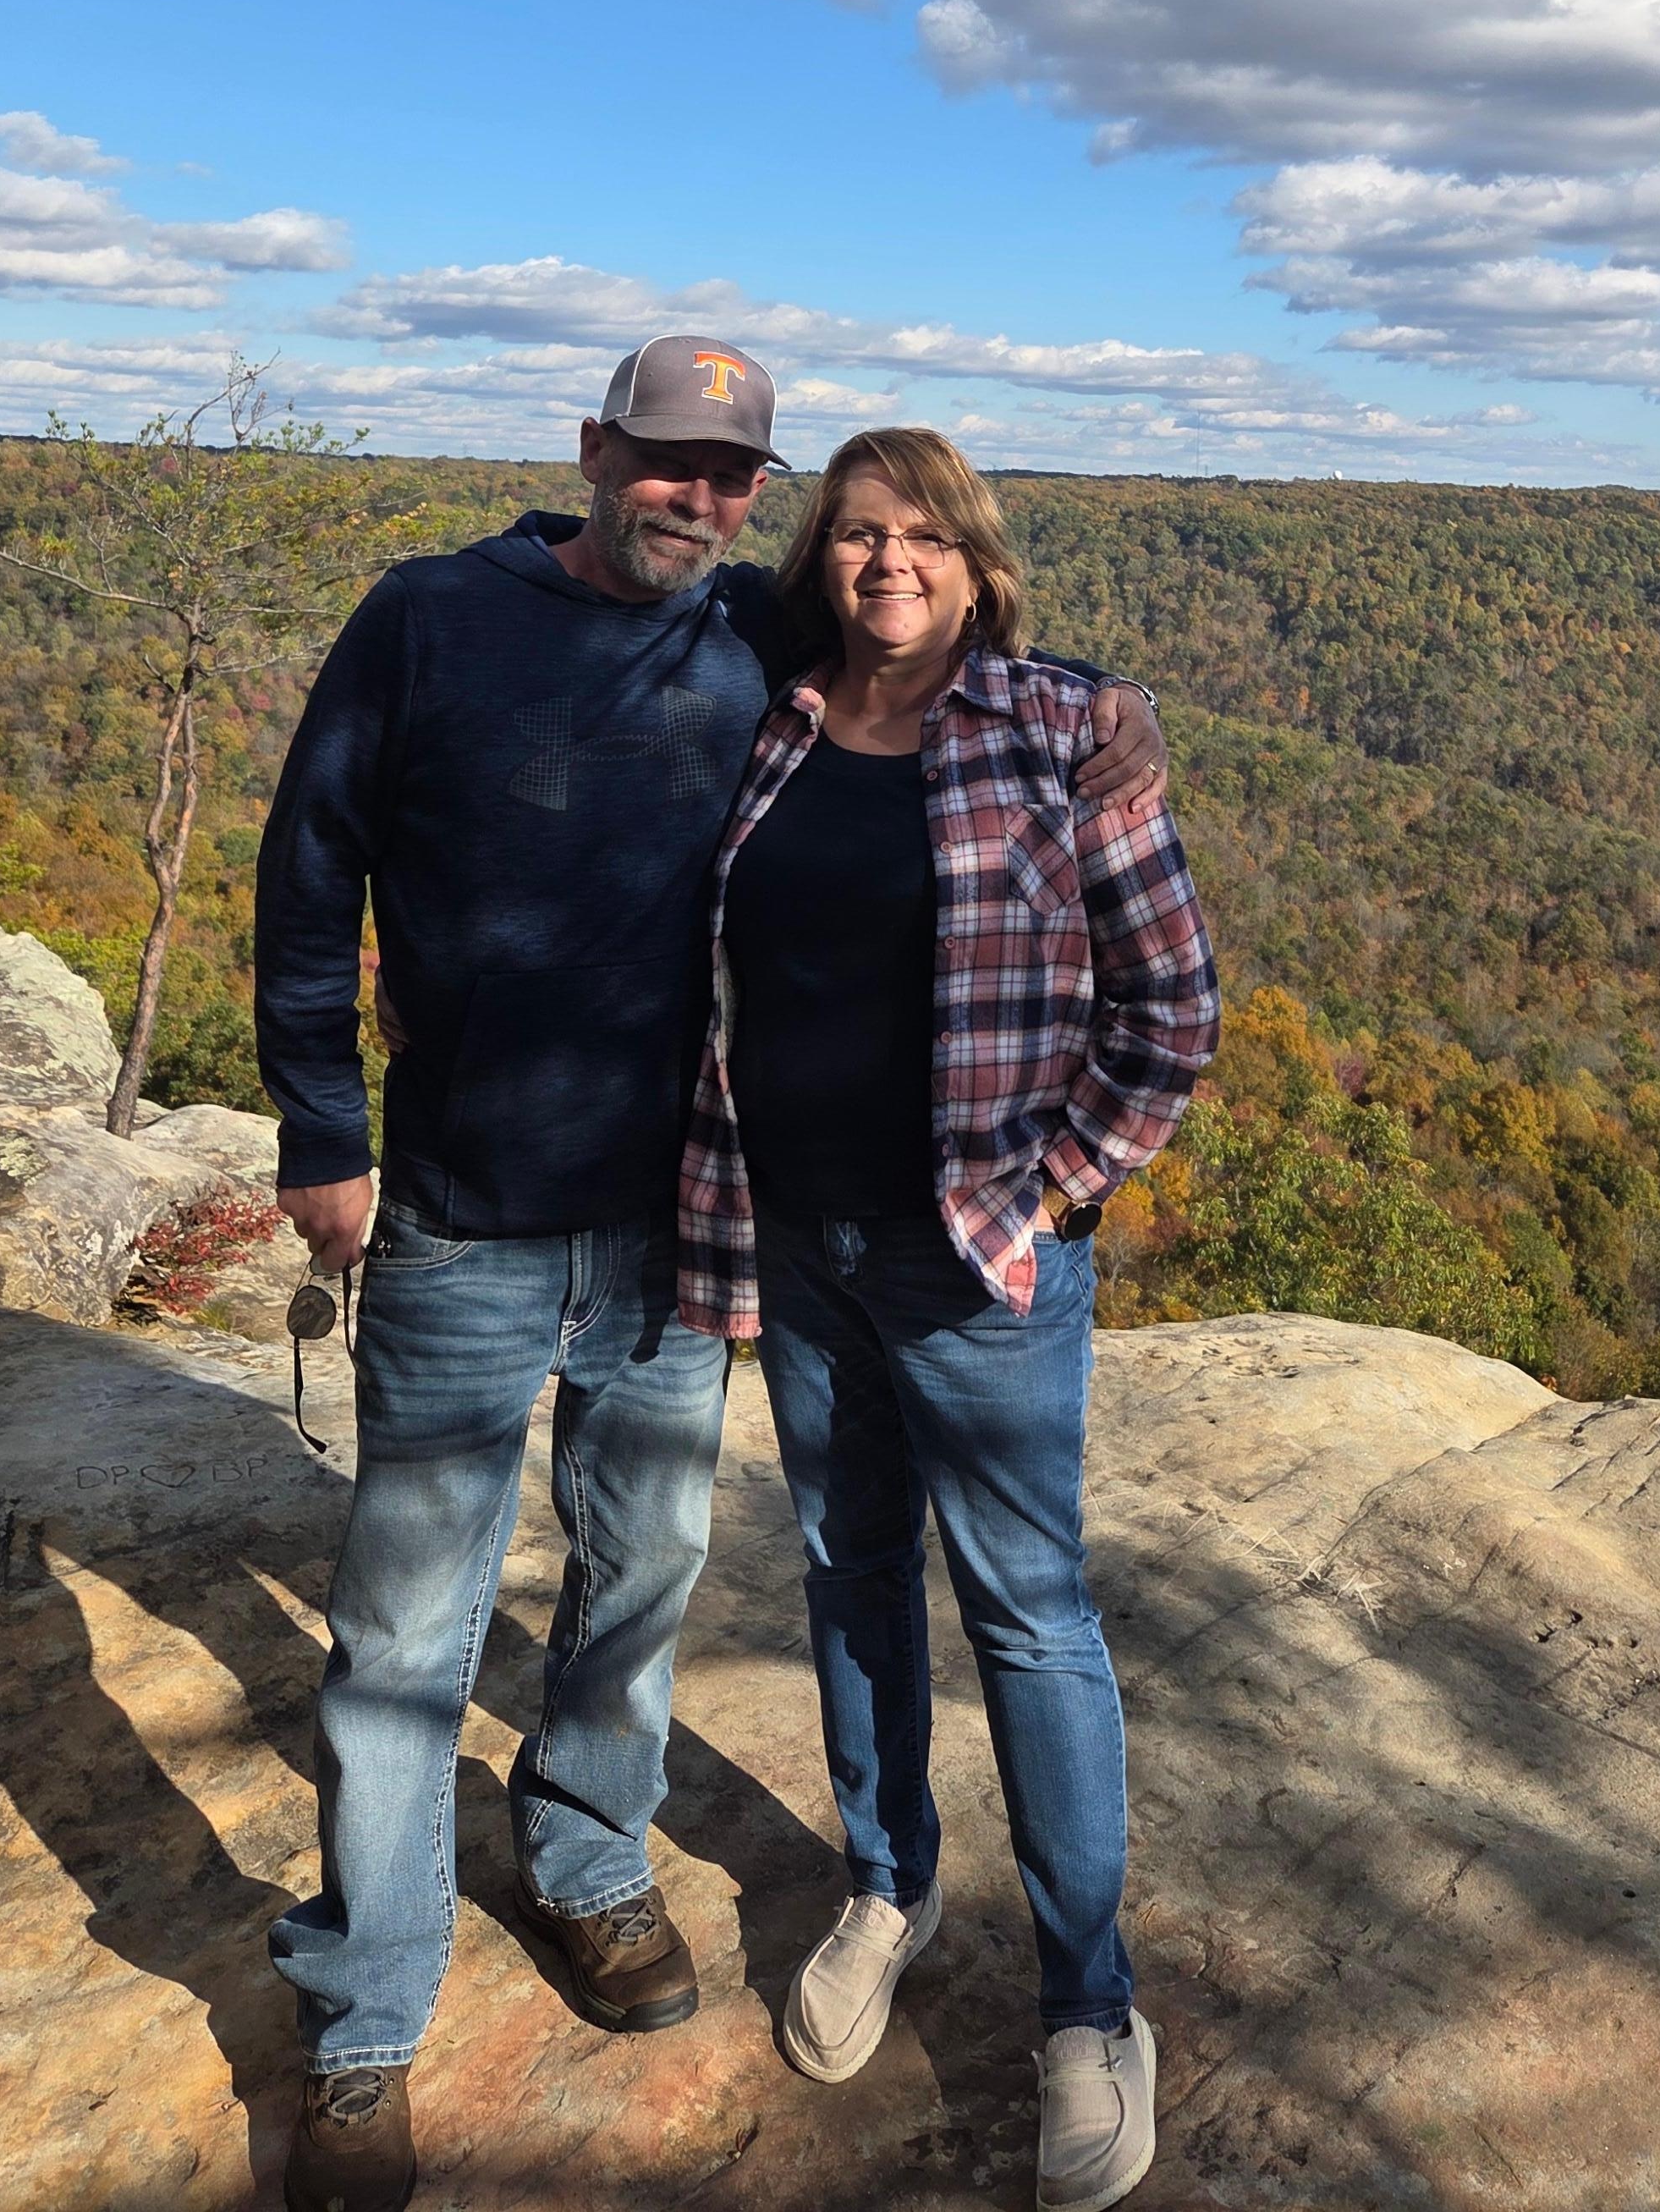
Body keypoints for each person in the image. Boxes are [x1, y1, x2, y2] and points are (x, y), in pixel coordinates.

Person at [254, 341, 1168, 2212]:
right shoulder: (435, 616)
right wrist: (321, 1126)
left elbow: (1128, 945)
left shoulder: (804, 643)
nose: (701, 497)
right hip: (474, 1204)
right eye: (667, 460)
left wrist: (1115, 725)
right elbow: (307, 862)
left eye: (735, 474)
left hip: (691, 1218)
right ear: (594, 453)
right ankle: (367, 2018)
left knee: (651, 1570)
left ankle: (596, 1862)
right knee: (414, 1623)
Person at [679, 428, 1218, 2212]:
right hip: (799, 1231)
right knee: (846, 1569)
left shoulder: (1064, 728)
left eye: (921, 535)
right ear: (813, 559)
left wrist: (1055, 1188)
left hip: (977, 1254)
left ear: (981, 565)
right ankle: (887, 1883)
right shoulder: (769, 716)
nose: (885, 561)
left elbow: (1173, 1007)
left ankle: (1089, 2001)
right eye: (852, 533)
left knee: (1028, 1613)